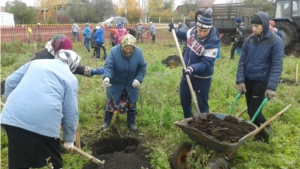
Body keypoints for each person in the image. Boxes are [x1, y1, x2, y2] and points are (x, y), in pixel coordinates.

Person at [1, 49, 81, 169]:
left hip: (12, 119)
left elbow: (10, 82)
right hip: (44, 121)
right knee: (53, 164)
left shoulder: (36, 63)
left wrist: (15, 105)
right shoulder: (70, 78)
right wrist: (69, 139)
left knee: (19, 162)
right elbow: (71, 112)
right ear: (72, 65)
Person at [236, 12, 284, 142]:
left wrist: (271, 87)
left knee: (253, 111)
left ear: (264, 25)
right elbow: (242, 62)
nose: (254, 29)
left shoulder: (275, 41)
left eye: (257, 26)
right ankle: (258, 136)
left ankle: (267, 133)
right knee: (254, 111)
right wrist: (240, 80)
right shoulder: (249, 40)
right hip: (248, 81)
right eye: (252, 26)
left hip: (261, 82)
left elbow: (277, 65)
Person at [169, 8, 220, 118]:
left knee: (202, 104)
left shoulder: (212, 43)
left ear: (210, 29)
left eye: (204, 31)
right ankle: (189, 122)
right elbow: (184, 34)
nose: (201, 33)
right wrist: (176, 30)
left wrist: (191, 68)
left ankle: (204, 125)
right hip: (187, 73)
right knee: (185, 99)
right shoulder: (193, 31)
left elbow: (206, 64)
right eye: (199, 30)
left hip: (202, 78)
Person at [100, 34, 147, 132]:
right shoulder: (114, 51)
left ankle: (131, 123)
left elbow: (142, 67)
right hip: (116, 83)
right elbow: (109, 66)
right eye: (126, 48)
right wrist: (107, 77)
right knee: (111, 102)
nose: (128, 50)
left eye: (131, 49)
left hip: (131, 84)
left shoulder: (138, 52)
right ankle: (106, 122)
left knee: (131, 103)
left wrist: (138, 79)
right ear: (122, 45)